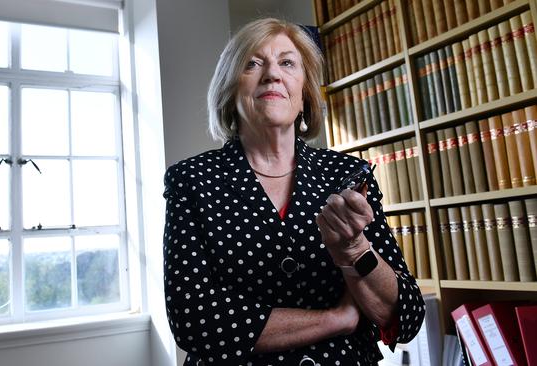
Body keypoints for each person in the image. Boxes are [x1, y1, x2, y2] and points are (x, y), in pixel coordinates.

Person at [162, 17, 425, 366]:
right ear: (229, 92)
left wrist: (355, 249)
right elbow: (195, 321)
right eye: (253, 64)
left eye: (287, 63)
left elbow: (406, 316)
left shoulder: (347, 175)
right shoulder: (191, 180)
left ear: (304, 96)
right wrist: (336, 320)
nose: (272, 74)